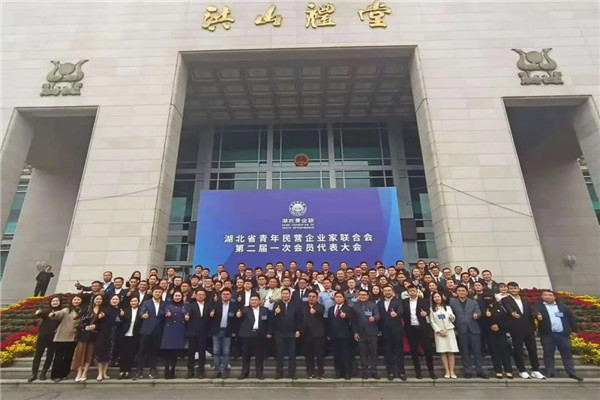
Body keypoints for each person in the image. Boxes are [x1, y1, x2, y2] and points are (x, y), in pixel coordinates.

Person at [534, 290, 583, 381]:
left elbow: (571, 318)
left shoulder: (562, 307)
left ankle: (571, 372)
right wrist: (538, 316)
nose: (547, 296)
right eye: (545, 295)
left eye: (550, 295)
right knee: (548, 353)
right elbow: (536, 313)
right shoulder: (539, 306)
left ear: (554, 297)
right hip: (548, 335)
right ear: (542, 297)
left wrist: (574, 330)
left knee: (567, 354)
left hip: (563, 335)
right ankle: (550, 371)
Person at [501, 282, 546, 379]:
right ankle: (522, 370)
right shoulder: (505, 300)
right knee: (518, 350)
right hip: (515, 328)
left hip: (528, 328)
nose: (513, 290)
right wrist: (512, 313)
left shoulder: (525, 300)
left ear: (518, 289)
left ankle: (535, 370)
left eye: (515, 288)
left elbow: (530, 313)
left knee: (532, 349)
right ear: (508, 290)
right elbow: (508, 308)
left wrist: (536, 320)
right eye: (511, 288)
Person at [450, 285, 488, 379]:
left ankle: (480, 370)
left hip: (474, 329)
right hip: (461, 329)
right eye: (459, 291)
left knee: (477, 351)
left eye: (463, 290)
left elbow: (478, 312)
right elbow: (450, 314)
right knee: (465, 351)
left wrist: (477, 315)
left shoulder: (473, 301)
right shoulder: (452, 302)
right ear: (456, 292)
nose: (461, 292)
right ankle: (468, 371)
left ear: (467, 292)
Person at [402, 285, 436, 379]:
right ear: (408, 292)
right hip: (411, 329)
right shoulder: (404, 302)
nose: (412, 292)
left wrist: (425, 313)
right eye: (410, 291)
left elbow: (428, 311)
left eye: (414, 291)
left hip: (423, 328)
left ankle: (431, 371)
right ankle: (418, 372)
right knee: (414, 351)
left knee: (428, 350)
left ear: (417, 291)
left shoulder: (423, 301)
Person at [236, 294, 273, 380]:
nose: (253, 301)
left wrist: (269, 332)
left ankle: (259, 373)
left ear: (259, 301)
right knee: (246, 354)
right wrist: (238, 315)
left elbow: (269, 322)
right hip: (247, 335)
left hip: (260, 334)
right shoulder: (245, 309)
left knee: (259, 355)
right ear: (249, 301)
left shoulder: (265, 310)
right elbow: (239, 318)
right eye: (252, 300)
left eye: (255, 300)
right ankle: (245, 372)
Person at [134, 287, 166, 380]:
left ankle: (152, 369)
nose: (157, 293)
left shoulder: (165, 304)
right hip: (146, 330)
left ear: (162, 293)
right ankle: (139, 371)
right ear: (152, 293)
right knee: (142, 351)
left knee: (154, 352)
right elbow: (141, 312)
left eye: (159, 292)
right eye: (156, 292)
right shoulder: (146, 303)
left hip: (158, 331)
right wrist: (143, 315)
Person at [49, 295, 83, 382]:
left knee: (68, 357)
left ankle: (64, 374)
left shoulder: (82, 311)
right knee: (58, 357)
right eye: (75, 299)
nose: (76, 301)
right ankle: (55, 375)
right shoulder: (67, 310)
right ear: (72, 301)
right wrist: (53, 314)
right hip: (62, 337)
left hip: (73, 338)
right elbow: (59, 314)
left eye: (78, 300)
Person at [28, 296, 62, 382]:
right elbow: (41, 314)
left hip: (54, 337)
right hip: (43, 336)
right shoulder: (47, 310)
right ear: (50, 302)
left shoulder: (62, 312)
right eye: (53, 301)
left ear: (60, 302)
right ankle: (34, 374)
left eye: (57, 301)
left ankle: (43, 372)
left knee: (50, 355)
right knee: (38, 355)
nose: (55, 302)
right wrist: (38, 313)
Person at [72, 293, 104, 382]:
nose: (98, 300)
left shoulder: (103, 310)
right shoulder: (87, 308)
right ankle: (79, 372)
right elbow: (79, 319)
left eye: (100, 299)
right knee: (80, 353)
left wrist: (96, 325)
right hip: (83, 333)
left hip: (94, 335)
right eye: (97, 299)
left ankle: (84, 372)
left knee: (89, 354)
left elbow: (103, 324)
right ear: (93, 299)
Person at [208, 287, 239, 378]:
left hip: (228, 331)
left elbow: (236, 321)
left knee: (226, 351)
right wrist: (211, 315)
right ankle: (217, 370)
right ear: (220, 295)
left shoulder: (234, 305)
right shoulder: (215, 304)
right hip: (216, 330)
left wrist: (234, 331)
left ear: (230, 295)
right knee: (216, 351)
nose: (225, 296)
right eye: (223, 294)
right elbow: (209, 318)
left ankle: (224, 370)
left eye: (227, 294)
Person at [481, 292, 513, 379]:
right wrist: (486, 316)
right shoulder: (483, 307)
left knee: (505, 351)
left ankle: (508, 370)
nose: (488, 299)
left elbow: (506, 319)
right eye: (486, 298)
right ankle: (498, 370)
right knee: (494, 352)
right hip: (490, 333)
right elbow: (481, 322)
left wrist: (499, 326)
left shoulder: (500, 306)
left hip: (501, 332)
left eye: (489, 297)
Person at [377, 285, 406, 381]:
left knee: (399, 352)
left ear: (392, 291)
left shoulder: (398, 301)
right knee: (388, 352)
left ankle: (401, 372)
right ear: (383, 292)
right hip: (385, 331)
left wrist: (396, 314)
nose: (387, 292)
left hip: (397, 330)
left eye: (389, 290)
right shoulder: (380, 303)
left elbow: (401, 311)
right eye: (385, 290)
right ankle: (390, 372)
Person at [352, 289, 380, 379]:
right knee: (363, 354)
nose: (362, 296)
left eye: (364, 295)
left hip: (372, 333)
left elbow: (378, 315)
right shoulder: (355, 306)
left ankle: (374, 371)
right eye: (360, 295)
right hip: (360, 334)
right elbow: (353, 321)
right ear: (358, 296)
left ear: (368, 296)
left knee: (373, 354)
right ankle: (364, 371)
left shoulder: (373, 305)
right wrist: (355, 332)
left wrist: (374, 318)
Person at [273, 288, 301, 379]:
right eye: (283, 293)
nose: (285, 295)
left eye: (286, 294)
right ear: (281, 295)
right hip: (280, 332)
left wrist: (298, 330)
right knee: (279, 354)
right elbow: (272, 318)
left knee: (292, 354)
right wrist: (275, 312)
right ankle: (279, 373)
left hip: (292, 332)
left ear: (290, 295)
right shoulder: (277, 304)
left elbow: (298, 319)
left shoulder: (295, 305)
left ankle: (292, 373)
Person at [429, 292, 458, 379]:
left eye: (438, 296)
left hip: (449, 331)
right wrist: (438, 331)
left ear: (441, 297)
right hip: (439, 333)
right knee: (443, 352)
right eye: (435, 297)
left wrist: (452, 318)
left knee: (451, 351)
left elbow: (452, 316)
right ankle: (447, 371)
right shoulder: (431, 309)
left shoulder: (448, 307)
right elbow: (432, 321)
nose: (437, 298)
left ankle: (452, 371)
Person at [161, 291, 189, 379]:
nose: (177, 297)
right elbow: (165, 313)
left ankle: (172, 370)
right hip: (169, 331)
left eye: (179, 296)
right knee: (167, 352)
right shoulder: (168, 306)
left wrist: (187, 317)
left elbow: (188, 314)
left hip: (179, 330)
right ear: (173, 297)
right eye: (176, 296)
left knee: (175, 353)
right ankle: (166, 370)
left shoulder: (185, 306)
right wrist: (167, 314)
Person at [94, 294, 122, 381]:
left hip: (113, 334)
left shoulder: (120, 310)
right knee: (100, 353)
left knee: (108, 354)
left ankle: (104, 373)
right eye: (113, 299)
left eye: (116, 299)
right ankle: (99, 373)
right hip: (103, 333)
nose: (114, 301)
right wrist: (100, 315)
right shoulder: (106, 309)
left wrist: (122, 316)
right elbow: (99, 317)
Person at [327, 291, 354, 380]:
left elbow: (353, 318)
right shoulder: (331, 309)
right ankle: (338, 372)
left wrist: (346, 316)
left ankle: (347, 373)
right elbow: (329, 322)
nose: (338, 298)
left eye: (340, 297)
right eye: (336, 297)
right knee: (336, 355)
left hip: (345, 335)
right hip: (334, 336)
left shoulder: (348, 308)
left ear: (344, 298)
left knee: (346, 355)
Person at [299, 290, 326, 379]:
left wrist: (315, 311)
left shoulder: (320, 306)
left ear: (317, 298)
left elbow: (320, 311)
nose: (311, 298)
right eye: (309, 296)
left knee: (319, 355)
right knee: (308, 355)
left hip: (318, 334)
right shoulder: (303, 307)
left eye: (313, 297)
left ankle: (320, 373)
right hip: (306, 334)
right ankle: (310, 372)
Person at [185, 289, 211, 379]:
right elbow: (187, 314)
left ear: (205, 296)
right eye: (198, 294)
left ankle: (200, 371)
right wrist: (186, 316)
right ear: (195, 296)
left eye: (202, 294)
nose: (200, 296)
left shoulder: (208, 306)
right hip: (192, 332)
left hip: (203, 332)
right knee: (191, 353)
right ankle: (190, 371)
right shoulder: (190, 306)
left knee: (202, 353)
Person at [117, 297, 142, 379]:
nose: (133, 302)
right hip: (125, 334)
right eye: (132, 301)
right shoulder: (125, 310)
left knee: (131, 353)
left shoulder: (141, 311)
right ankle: (122, 371)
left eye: (135, 301)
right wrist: (121, 316)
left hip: (135, 335)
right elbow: (120, 322)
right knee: (123, 353)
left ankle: (127, 370)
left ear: (138, 302)